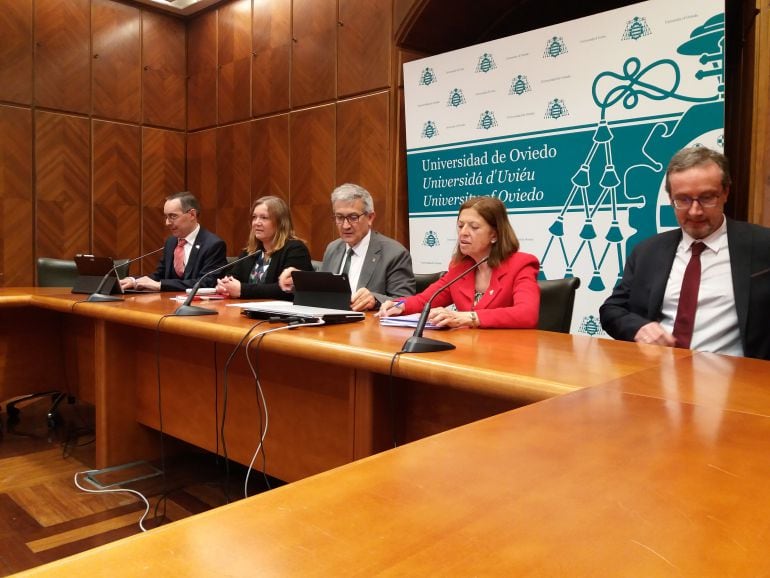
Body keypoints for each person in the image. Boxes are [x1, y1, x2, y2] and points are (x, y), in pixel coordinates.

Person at [599, 146, 770, 360]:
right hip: (656, 374)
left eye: (707, 198)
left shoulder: (763, 246)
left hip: (736, 381)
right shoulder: (647, 251)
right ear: (670, 199)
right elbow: (612, 310)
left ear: (725, 192)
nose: (695, 211)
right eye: (683, 200)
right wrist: (638, 328)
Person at [378, 196, 540, 328]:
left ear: (494, 235)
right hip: (468, 351)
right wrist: (398, 305)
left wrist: (469, 317)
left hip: (508, 355)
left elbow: (526, 314)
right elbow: (424, 300)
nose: (463, 233)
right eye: (460, 226)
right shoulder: (460, 268)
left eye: (474, 227)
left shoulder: (521, 265)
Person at [279, 183, 415, 311]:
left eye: (353, 217)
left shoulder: (394, 253)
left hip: (370, 330)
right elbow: (325, 293)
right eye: (339, 217)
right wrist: (298, 281)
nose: (345, 226)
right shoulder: (333, 248)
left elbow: (406, 302)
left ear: (370, 218)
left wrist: (375, 300)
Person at [119, 192, 227, 292]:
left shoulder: (213, 245)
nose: (167, 223)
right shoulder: (171, 242)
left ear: (192, 215)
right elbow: (159, 276)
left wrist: (161, 285)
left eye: (173, 216)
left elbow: (206, 283)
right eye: (166, 217)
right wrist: (134, 281)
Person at [216, 196, 313, 299]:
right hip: (247, 310)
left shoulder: (295, 249)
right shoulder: (250, 252)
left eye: (264, 217)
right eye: (254, 217)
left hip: (281, 313)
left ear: (280, 223)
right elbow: (233, 277)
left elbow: (287, 289)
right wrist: (225, 285)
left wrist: (243, 290)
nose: (257, 222)